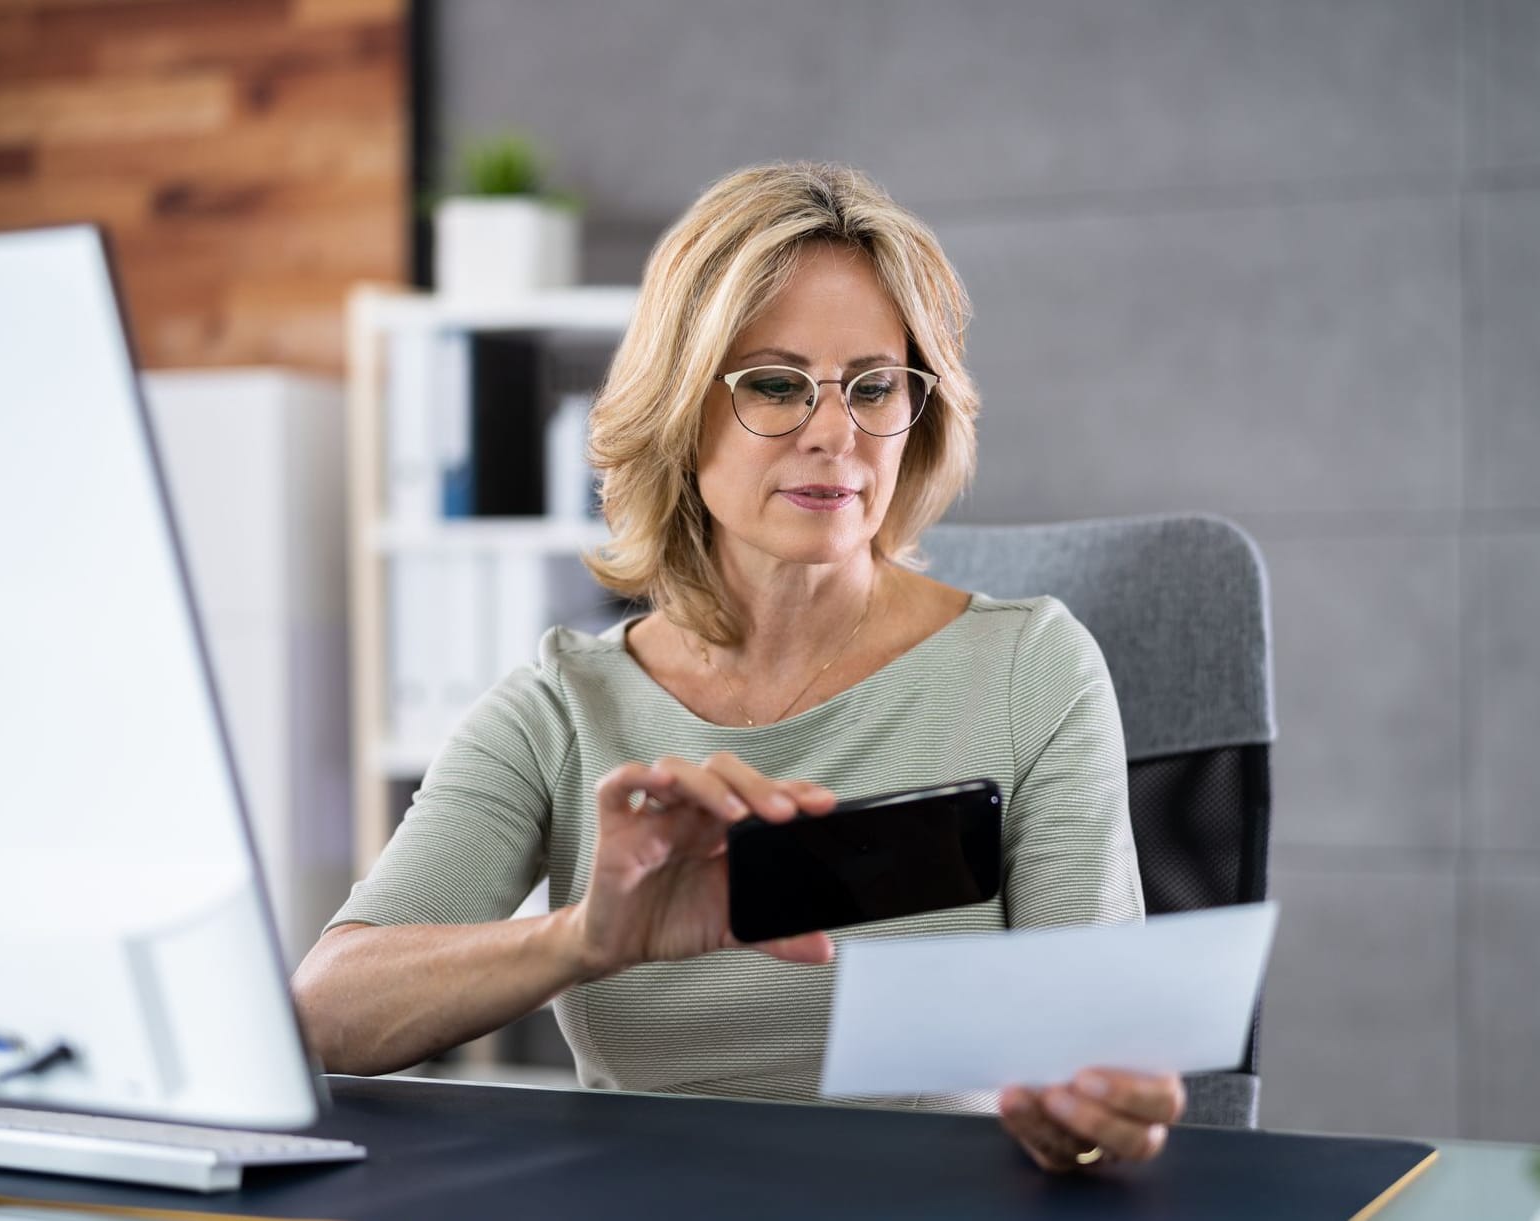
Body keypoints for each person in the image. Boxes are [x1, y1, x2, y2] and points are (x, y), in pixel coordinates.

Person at [292, 161, 1186, 1173]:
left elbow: (1106, 1070)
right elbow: (323, 1015)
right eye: (773, 383)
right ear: (679, 411)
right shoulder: (561, 708)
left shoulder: (1031, 668)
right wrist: (583, 939)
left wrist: (1095, 1120)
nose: (832, 433)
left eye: (873, 385)